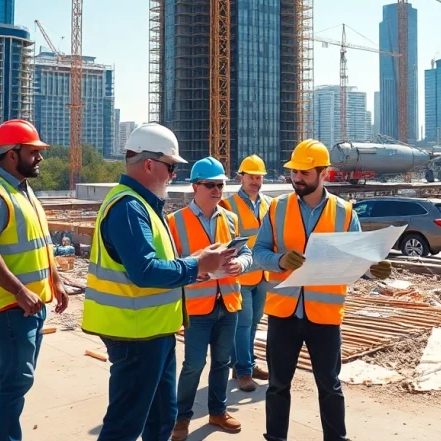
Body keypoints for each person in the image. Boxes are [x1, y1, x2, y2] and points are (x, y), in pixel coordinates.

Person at [81, 123, 236, 441]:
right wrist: (196, 265)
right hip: (135, 336)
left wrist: (197, 264)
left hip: (156, 333)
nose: (173, 175)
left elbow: (156, 265)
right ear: (149, 164)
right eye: (170, 167)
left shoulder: (144, 207)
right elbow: (145, 271)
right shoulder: (128, 208)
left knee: (162, 420)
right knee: (124, 426)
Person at [253, 139, 392, 441]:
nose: (296, 178)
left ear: (323, 173)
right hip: (283, 314)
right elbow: (257, 252)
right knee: (278, 385)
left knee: (330, 386)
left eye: (304, 172)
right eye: (294, 172)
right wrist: (278, 260)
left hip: (325, 317)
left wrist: (372, 269)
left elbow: (355, 261)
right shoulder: (277, 207)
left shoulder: (344, 213)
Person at [0, 119, 69, 441]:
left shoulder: (22, 192)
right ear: (12, 154)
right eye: (33, 151)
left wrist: (56, 279)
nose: (40, 157)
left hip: (27, 304)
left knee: (0, 378)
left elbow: (40, 244)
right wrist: (20, 291)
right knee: (16, 383)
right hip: (9, 307)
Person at [168, 157, 252, 440]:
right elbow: (172, 265)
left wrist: (241, 264)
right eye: (210, 185)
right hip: (197, 308)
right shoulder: (175, 222)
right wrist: (198, 272)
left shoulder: (230, 218)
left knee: (222, 362)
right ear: (195, 187)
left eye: (220, 185)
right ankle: (181, 418)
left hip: (228, 303)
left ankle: (217, 410)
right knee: (193, 365)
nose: (217, 191)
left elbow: (246, 252)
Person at [220, 154, 273, 392]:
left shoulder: (269, 204)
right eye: (251, 176)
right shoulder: (228, 205)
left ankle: (247, 364)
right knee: (243, 324)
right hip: (241, 274)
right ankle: (243, 371)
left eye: (259, 177)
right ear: (241, 177)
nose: (256, 181)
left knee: (253, 324)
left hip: (263, 274)